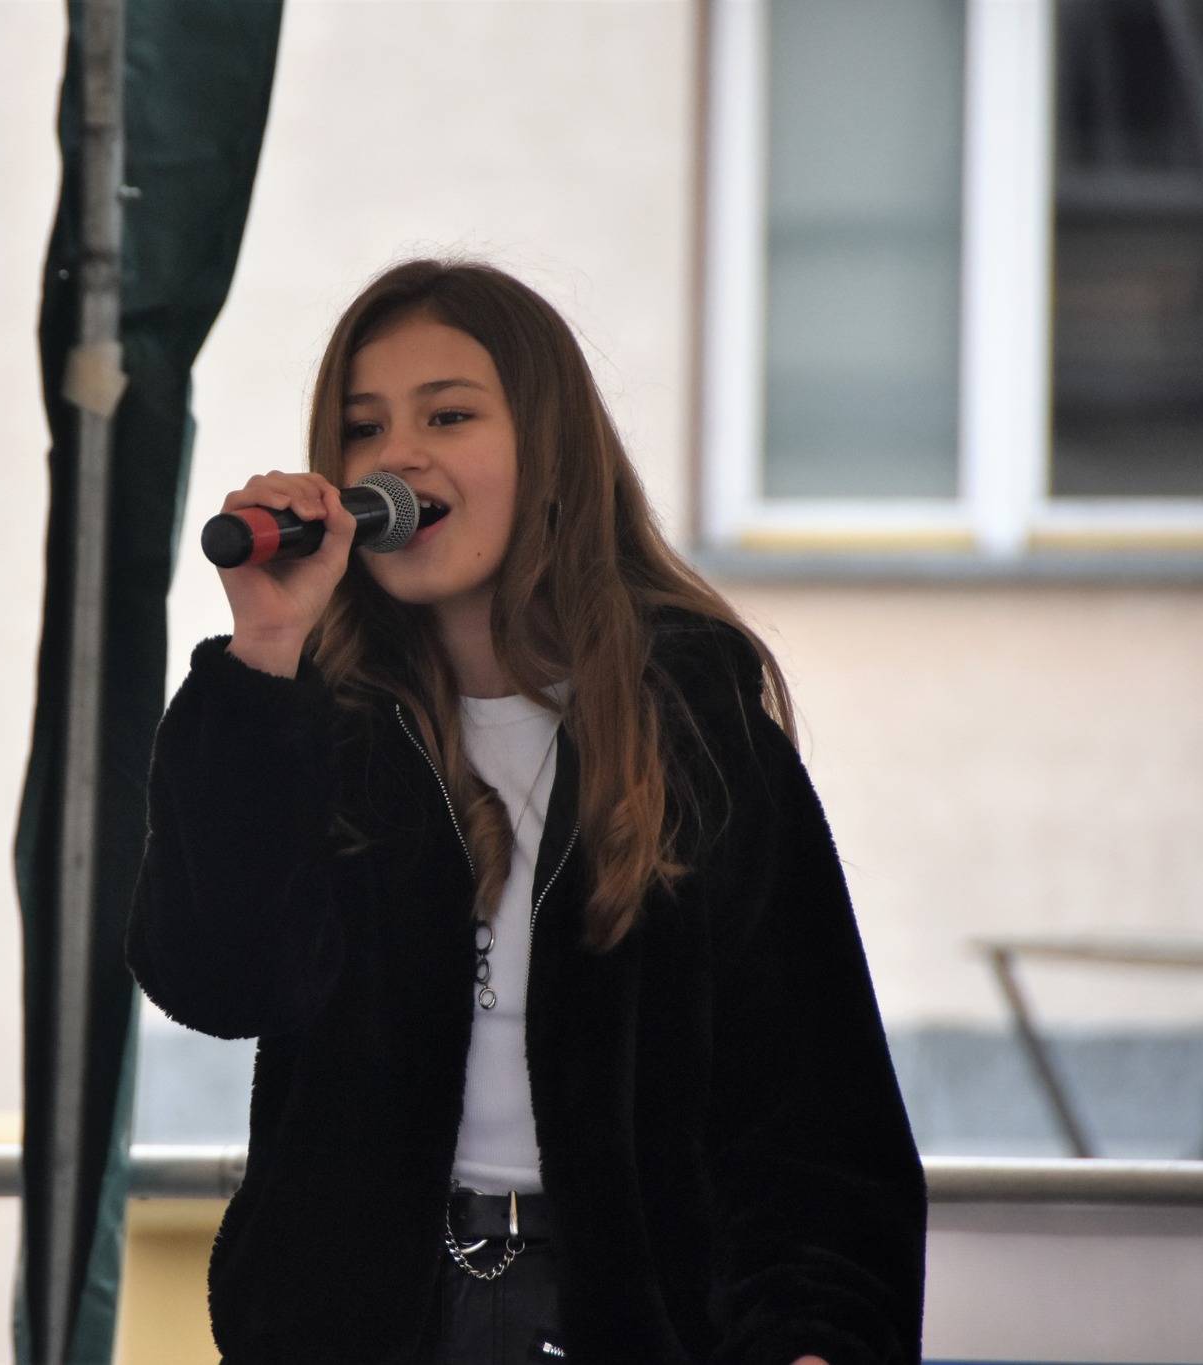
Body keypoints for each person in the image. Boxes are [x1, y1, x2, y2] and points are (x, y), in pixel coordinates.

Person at [126, 259, 926, 1364]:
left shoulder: (693, 736)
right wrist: (264, 649)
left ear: (549, 452)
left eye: (448, 415)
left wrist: (814, 1336)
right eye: (362, 428)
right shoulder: (316, 727)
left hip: (621, 1319)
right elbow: (217, 981)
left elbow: (814, 1119)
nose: (398, 456)